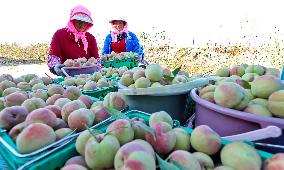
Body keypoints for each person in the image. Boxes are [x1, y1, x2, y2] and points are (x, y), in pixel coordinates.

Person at [47, 5, 99, 76]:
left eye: (85, 22)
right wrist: (55, 66)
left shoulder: (90, 38)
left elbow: (96, 59)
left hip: (87, 77)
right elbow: (53, 56)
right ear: (72, 20)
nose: (82, 25)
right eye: (79, 21)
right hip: (67, 75)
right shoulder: (60, 34)